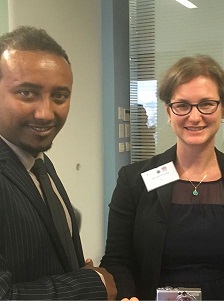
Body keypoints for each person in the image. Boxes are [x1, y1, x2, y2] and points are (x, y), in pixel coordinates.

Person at [100, 54, 224, 300]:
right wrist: (127, 295)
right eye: (182, 105)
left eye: (206, 104)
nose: (194, 116)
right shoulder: (134, 180)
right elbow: (117, 258)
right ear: (168, 113)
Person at [0, 26, 116, 299]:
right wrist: (91, 286)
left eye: (59, 96)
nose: (45, 113)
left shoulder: (39, 162)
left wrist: (75, 270)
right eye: (26, 93)